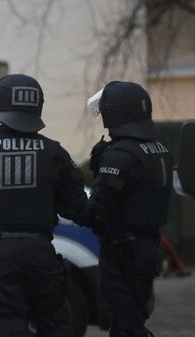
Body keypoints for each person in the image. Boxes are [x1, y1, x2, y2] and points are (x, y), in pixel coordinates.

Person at [0, 74, 88, 337]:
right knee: (55, 322)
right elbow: (77, 209)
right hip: (41, 251)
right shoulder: (55, 152)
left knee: (8, 320)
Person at [87, 81, 172, 337]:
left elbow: (97, 209)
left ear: (116, 114)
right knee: (135, 316)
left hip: (122, 252)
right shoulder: (161, 150)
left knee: (125, 324)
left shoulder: (120, 155)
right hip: (148, 247)